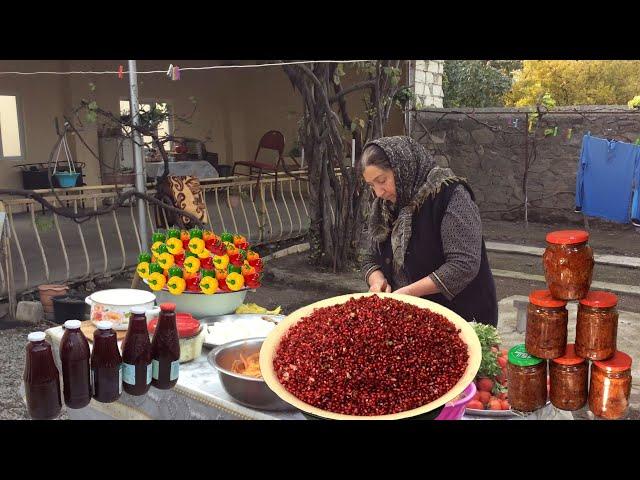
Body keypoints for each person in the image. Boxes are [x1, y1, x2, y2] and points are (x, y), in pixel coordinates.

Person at [360, 136, 498, 326]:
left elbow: (463, 265)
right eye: (371, 185)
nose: (378, 192)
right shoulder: (386, 206)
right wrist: (377, 281)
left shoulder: (450, 196)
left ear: (402, 169)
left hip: (461, 317)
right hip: (413, 317)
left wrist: (407, 292)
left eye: (382, 180)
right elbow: (370, 257)